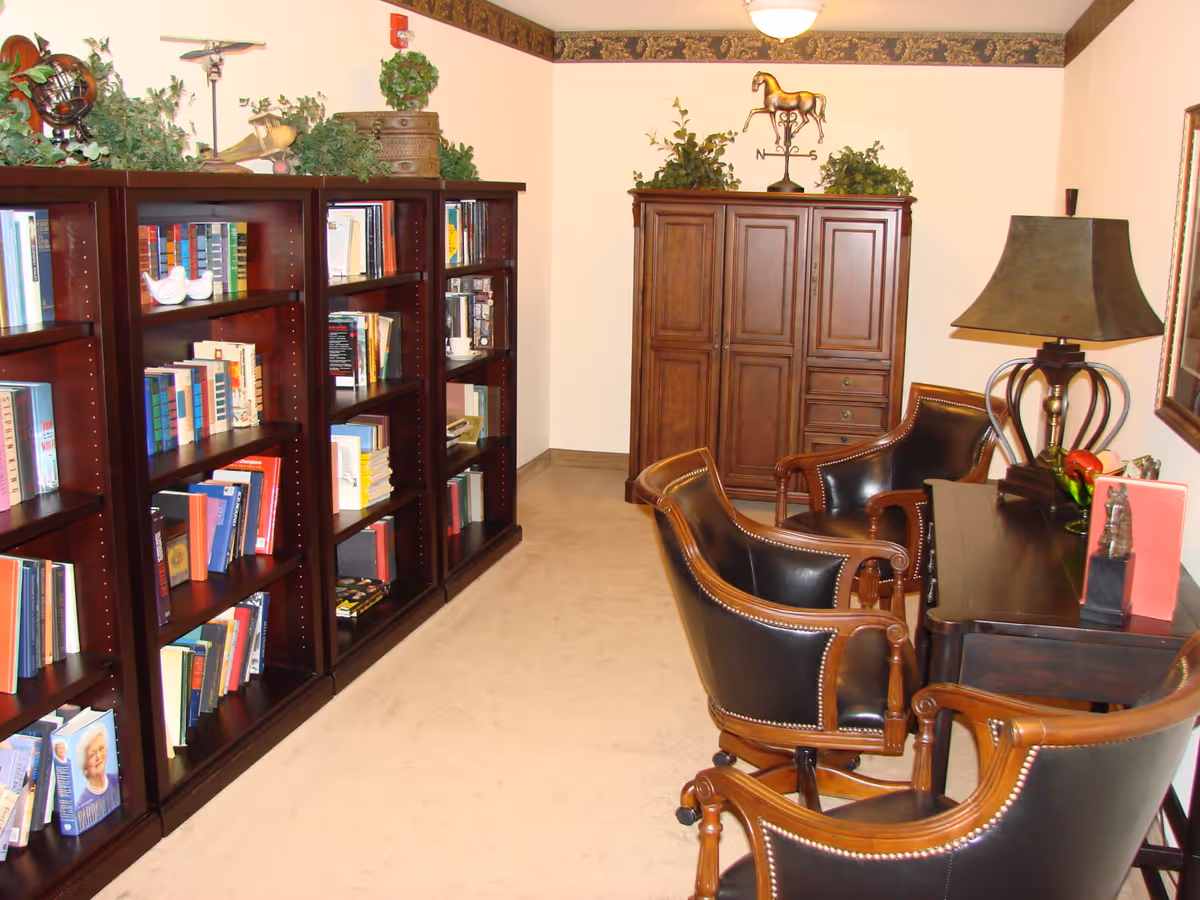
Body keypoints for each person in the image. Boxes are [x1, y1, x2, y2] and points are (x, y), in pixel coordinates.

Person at [74, 725, 119, 824]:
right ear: (84, 764)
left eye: (101, 749)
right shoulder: (82, 805)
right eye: (92, 754)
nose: (98, 756)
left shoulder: (117, 780)